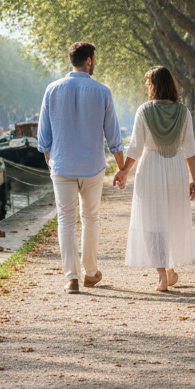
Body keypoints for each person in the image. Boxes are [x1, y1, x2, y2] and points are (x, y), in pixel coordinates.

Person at [38, 41, 125, 294]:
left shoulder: (52, 89)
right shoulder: (102, 92)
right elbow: (114, 137)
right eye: (94, 59)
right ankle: (90, 272)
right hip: (92, 167)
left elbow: (44, 136)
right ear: (89, 60)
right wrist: (122, 169)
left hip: (62, 166)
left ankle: (72, 278)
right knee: (90, 218)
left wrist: (52, 160)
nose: (94, 62)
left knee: (65, 221)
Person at [112, 65, 195, 292]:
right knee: (170, 219)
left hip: (150, 169)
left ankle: (162, 275)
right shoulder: (184, 112)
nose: (146, 87)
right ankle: (169, 269)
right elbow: (190, 149)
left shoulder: (144, 110)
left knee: (152, 222)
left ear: (156, 85)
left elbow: (136, 147)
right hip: (176, 168)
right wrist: (194, 178)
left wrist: (124, 171)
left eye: (148, 83)